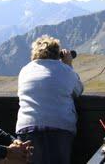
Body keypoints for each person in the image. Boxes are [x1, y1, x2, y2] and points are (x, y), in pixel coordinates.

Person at [16, 35, 84, 164]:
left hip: (26, 127)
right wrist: (68, 65)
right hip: (58, 128)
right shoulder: (65, 70)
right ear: (58, 54)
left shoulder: (24, 71)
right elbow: (78, 90)